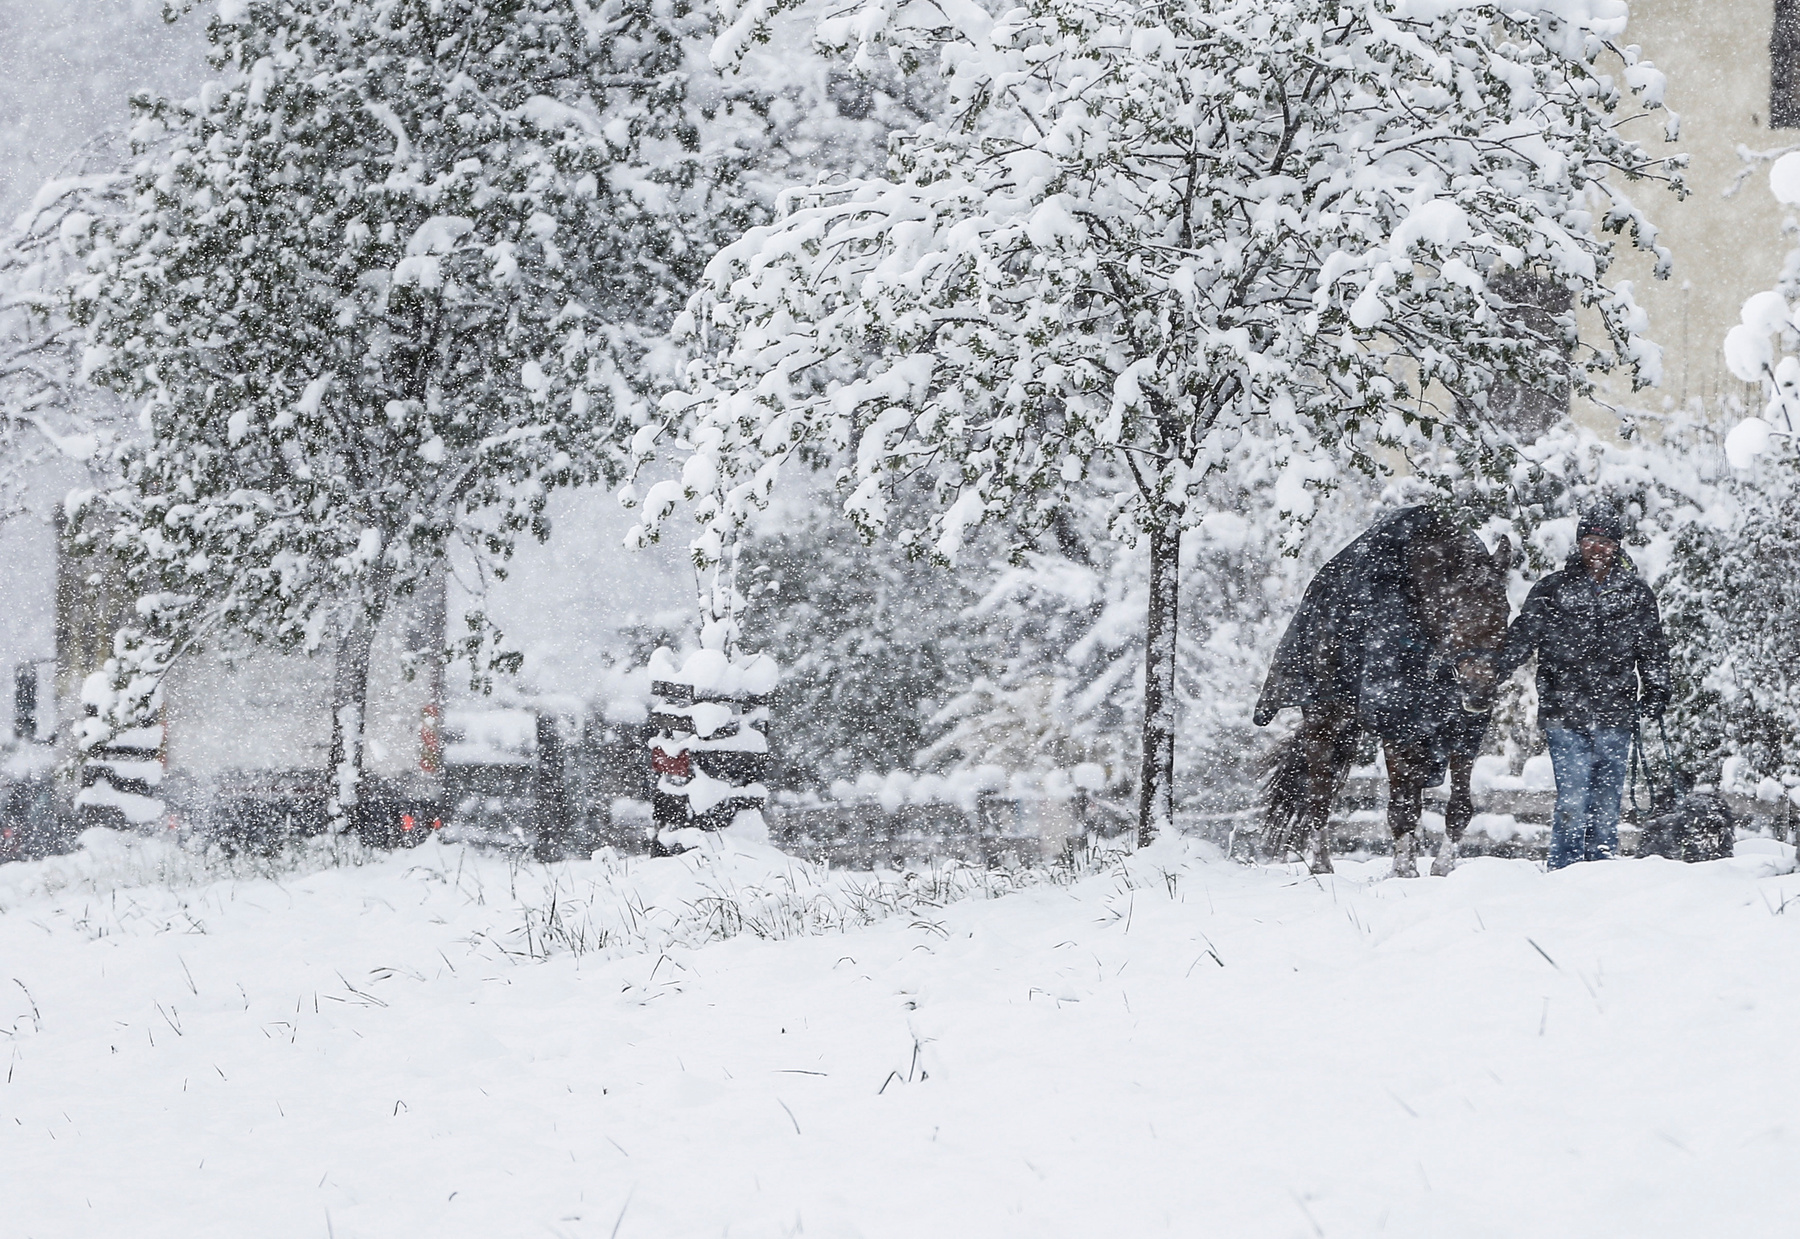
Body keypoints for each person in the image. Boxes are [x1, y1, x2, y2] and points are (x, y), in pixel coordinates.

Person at [1499, 506, 1671, 870]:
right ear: (1579, 544)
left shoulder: (1636, 594)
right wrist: (1488, 672)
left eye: (1605, 542)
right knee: (1573, 800)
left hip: (1616, 713)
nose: (1597, 549)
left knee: (1607, 804)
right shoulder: (1552, 590)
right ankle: (1562, 870)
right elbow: (1521, 638)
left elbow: (1653, 648)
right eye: (1590, 540)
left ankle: (1601, 872)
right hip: (1564, 711)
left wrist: (1656, 691)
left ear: (1617, 546)